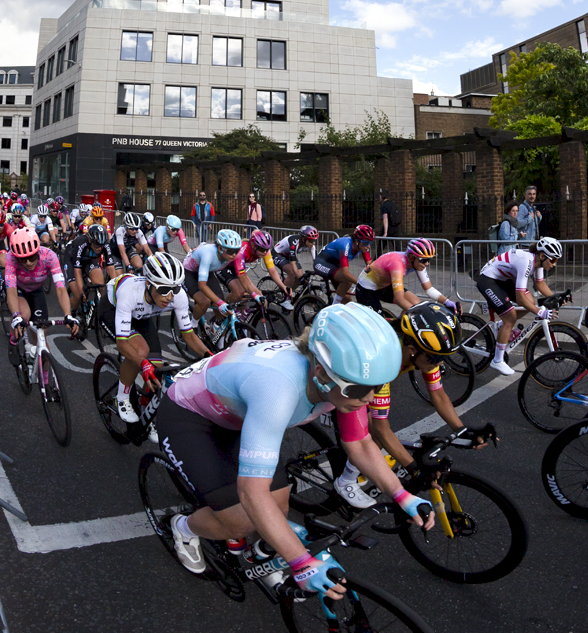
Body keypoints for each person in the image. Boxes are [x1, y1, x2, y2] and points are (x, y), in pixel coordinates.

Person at [156, 302, 434, 583]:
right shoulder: (279, 389)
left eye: (378, 386)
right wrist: (301, 562)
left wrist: (403, 496)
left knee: (280, 503)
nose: (371, 398)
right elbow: (252, 494)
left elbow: (361, 444)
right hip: (190, 417)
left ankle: (261, 553)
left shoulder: (345, 382)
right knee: (240, 519)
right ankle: (183, 527)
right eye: (362, 389)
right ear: (322, 374)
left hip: (240, 414)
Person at [342, 302, 491, 502]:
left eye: (444, 358)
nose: (440, 363)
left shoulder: (424, 353)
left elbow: (438, 395)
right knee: (371, 434)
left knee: (378, 433)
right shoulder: (385, 360)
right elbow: (381, 428)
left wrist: (462, 430)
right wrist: (414, 468)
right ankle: (346, 481)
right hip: (350, 375)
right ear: (412, 349)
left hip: (370, 375)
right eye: (436, 358)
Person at [101, 253, 211, 435]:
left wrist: (210, 357)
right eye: (163, 289)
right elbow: (122, 344)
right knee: (139, 352)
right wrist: (143, 364)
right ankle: (121, 398)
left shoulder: (178, 296)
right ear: (148, 284)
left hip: (142, 314)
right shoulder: (130, 293)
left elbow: (189, 336)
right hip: (113, 309)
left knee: (157, 372)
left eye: (174, 289)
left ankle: (146, 413)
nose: (169, 296)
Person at [476, 237, 563, 375]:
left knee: (531, 302)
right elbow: (520, 299)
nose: (554, 264)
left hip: (502, 279)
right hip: (488, 279)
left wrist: (556, 298)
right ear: (542, 255)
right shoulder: (526, 261)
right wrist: (540, 313)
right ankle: (497, 360)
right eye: (553, 260)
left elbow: (540, 284)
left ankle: (501, 326)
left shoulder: (538, 262)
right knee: (510, 317)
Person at [6, 228, 78, 366]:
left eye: (32, 257)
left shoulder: (49, 256)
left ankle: (45, 378)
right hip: (19, 290)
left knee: (41, 335)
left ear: (38, 251)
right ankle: (13, 340)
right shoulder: (10, 257)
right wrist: (16, 315)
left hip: (36, 290)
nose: (28, 263)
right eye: (22, 259)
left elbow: (61, 290)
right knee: (24, 315)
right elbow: (11, 290)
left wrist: (68, 314)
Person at [355, 238, 459, 315]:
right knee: (380, 325)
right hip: (367, 290)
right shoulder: (397, 264)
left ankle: (402, 329)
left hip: (384, 285)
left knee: (416, 304)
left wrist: (447, 301)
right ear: (412, 257)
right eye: (424, 260)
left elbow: (429, 289)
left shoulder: (418, 263)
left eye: (429, 260)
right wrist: (420, 315)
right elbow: (399, 299)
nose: (427, 264)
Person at [216, 229, 293, 314]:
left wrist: (283, 286)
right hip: (223, 267)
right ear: (253, 245)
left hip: (236, 267)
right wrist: (256, 291)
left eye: (267, 249)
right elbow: (243, 276)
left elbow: (272, 271)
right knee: (239, 292)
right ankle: (222, 314)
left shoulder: (265, 251)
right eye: (261, 249)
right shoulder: (242, 249)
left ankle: (240, 316)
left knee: (246, 295)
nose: (264, 252)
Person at [183, 229, 241, 325]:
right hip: (189, 272)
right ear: (220, 248)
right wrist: (220, 303)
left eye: (236, 251)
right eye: (230, 251)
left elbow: (243, 277)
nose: (234, 255)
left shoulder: (233, 256)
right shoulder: (208, 254)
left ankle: (217, 330)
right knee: (204, 301)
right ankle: (192, 326)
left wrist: (255, 294)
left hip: (208, 272)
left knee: (221, 307)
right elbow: (202, 285)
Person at [313, 225, 375, 305]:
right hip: (322, 262)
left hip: (335, 265)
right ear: (357, 241)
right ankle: (333, 308)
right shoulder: (345, 245)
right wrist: (361, 283)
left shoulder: (363, 246)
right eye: (366, 243)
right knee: (348, 281)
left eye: (371, 242)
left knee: (347, 301)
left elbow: (371, 266)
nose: (368, 246)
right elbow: (345, 273)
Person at [64, 224, 117, 311]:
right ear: (90, 240)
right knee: (78, 295)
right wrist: (81, 292)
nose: (100, 248)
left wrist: (117, 288)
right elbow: (77, 270)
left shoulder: (105, 245)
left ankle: (103, 311)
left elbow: (110, 267)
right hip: (71, 260)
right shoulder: (81, 242)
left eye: (102, 245)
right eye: (97, 245)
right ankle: (72, 313)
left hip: (88, 259)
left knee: (101, 286)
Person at [272, 225, 319, 290]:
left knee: (299, 277)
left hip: (288, 255)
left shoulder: (312, 246)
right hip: (277, 254)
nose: (313, 243)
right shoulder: (294, 243)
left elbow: (316, 261)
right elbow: (293, 264)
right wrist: (301, 278)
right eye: (311, 241)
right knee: (293, 273)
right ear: (303, 239)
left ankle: (290, 293)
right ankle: (283, 293)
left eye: (315, 241)